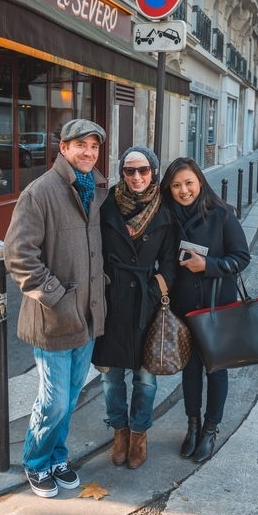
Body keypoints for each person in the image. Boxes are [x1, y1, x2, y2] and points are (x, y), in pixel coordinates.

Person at [4, 119, 108, 498]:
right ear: (63, 148)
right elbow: (18, 257)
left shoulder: (97, 187)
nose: (88, 153)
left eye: (94, 147)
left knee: (72, 396)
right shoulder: (39, 192)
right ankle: (36, 461)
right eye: (81, 145)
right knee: (53, 398)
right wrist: (56, 296)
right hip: (53, 317)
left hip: (88, 313)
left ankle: (58, 457)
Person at [160, 157, 250, 464]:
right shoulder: (166, 215)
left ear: (200, 182)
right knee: (190, 370)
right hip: (182, 307)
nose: (183, 190)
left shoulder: (222, 214)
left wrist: (208, 266)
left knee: (216, 370)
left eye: (189, 183)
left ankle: (211, 429)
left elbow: (241, 257)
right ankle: (193, 426)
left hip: (215, 306)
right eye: (176, 185)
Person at [92, 146, 177, 469]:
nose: (137, 176)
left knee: (145, 379)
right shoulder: (106, 205)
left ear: (154, 171)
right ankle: (119, 431)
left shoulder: (164, 210)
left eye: (143, 170)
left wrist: (154, 291)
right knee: (111, 378)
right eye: (130, 171)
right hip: (112, 302)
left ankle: (139, 433)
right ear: (122, 173)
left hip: (146, 305)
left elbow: (170, 263)